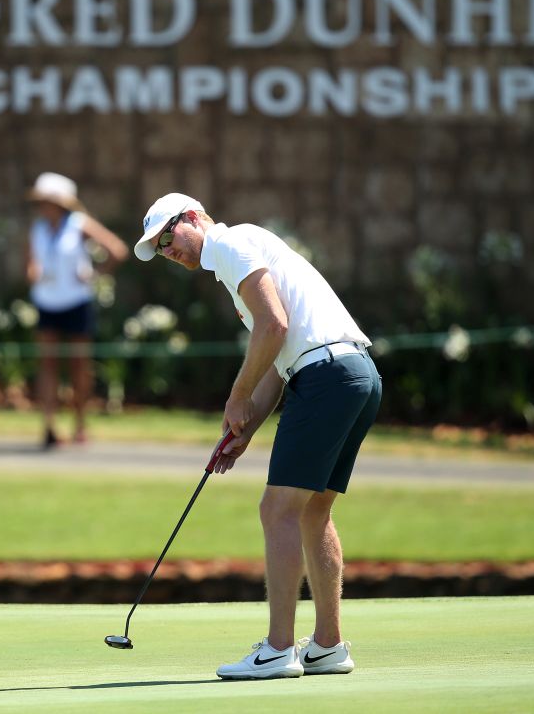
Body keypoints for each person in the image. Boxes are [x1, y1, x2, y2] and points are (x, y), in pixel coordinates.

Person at [133, 193, 381, 681]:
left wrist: (235, 395)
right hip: (356, 375)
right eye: (159, 248)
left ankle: (278, 649)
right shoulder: (238, 260)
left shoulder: (231, 242)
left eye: (169, 236)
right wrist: (245, 428)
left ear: (194, 218)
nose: (168, 250)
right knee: (312, 511)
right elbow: (278, 358)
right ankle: (328, 647)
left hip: (328, 377)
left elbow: (273, 326)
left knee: (276, 510)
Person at [25, 172, 128, 449]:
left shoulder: (79, 224)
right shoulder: (37, 229)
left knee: (78, 366)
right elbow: (32, 263)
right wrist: (34, 273)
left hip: (75, 302)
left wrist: (95, 274)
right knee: (47, 366)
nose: (43, 207)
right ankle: (49, 426)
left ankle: (80, 424)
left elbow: (116, 250)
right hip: (46, 301)